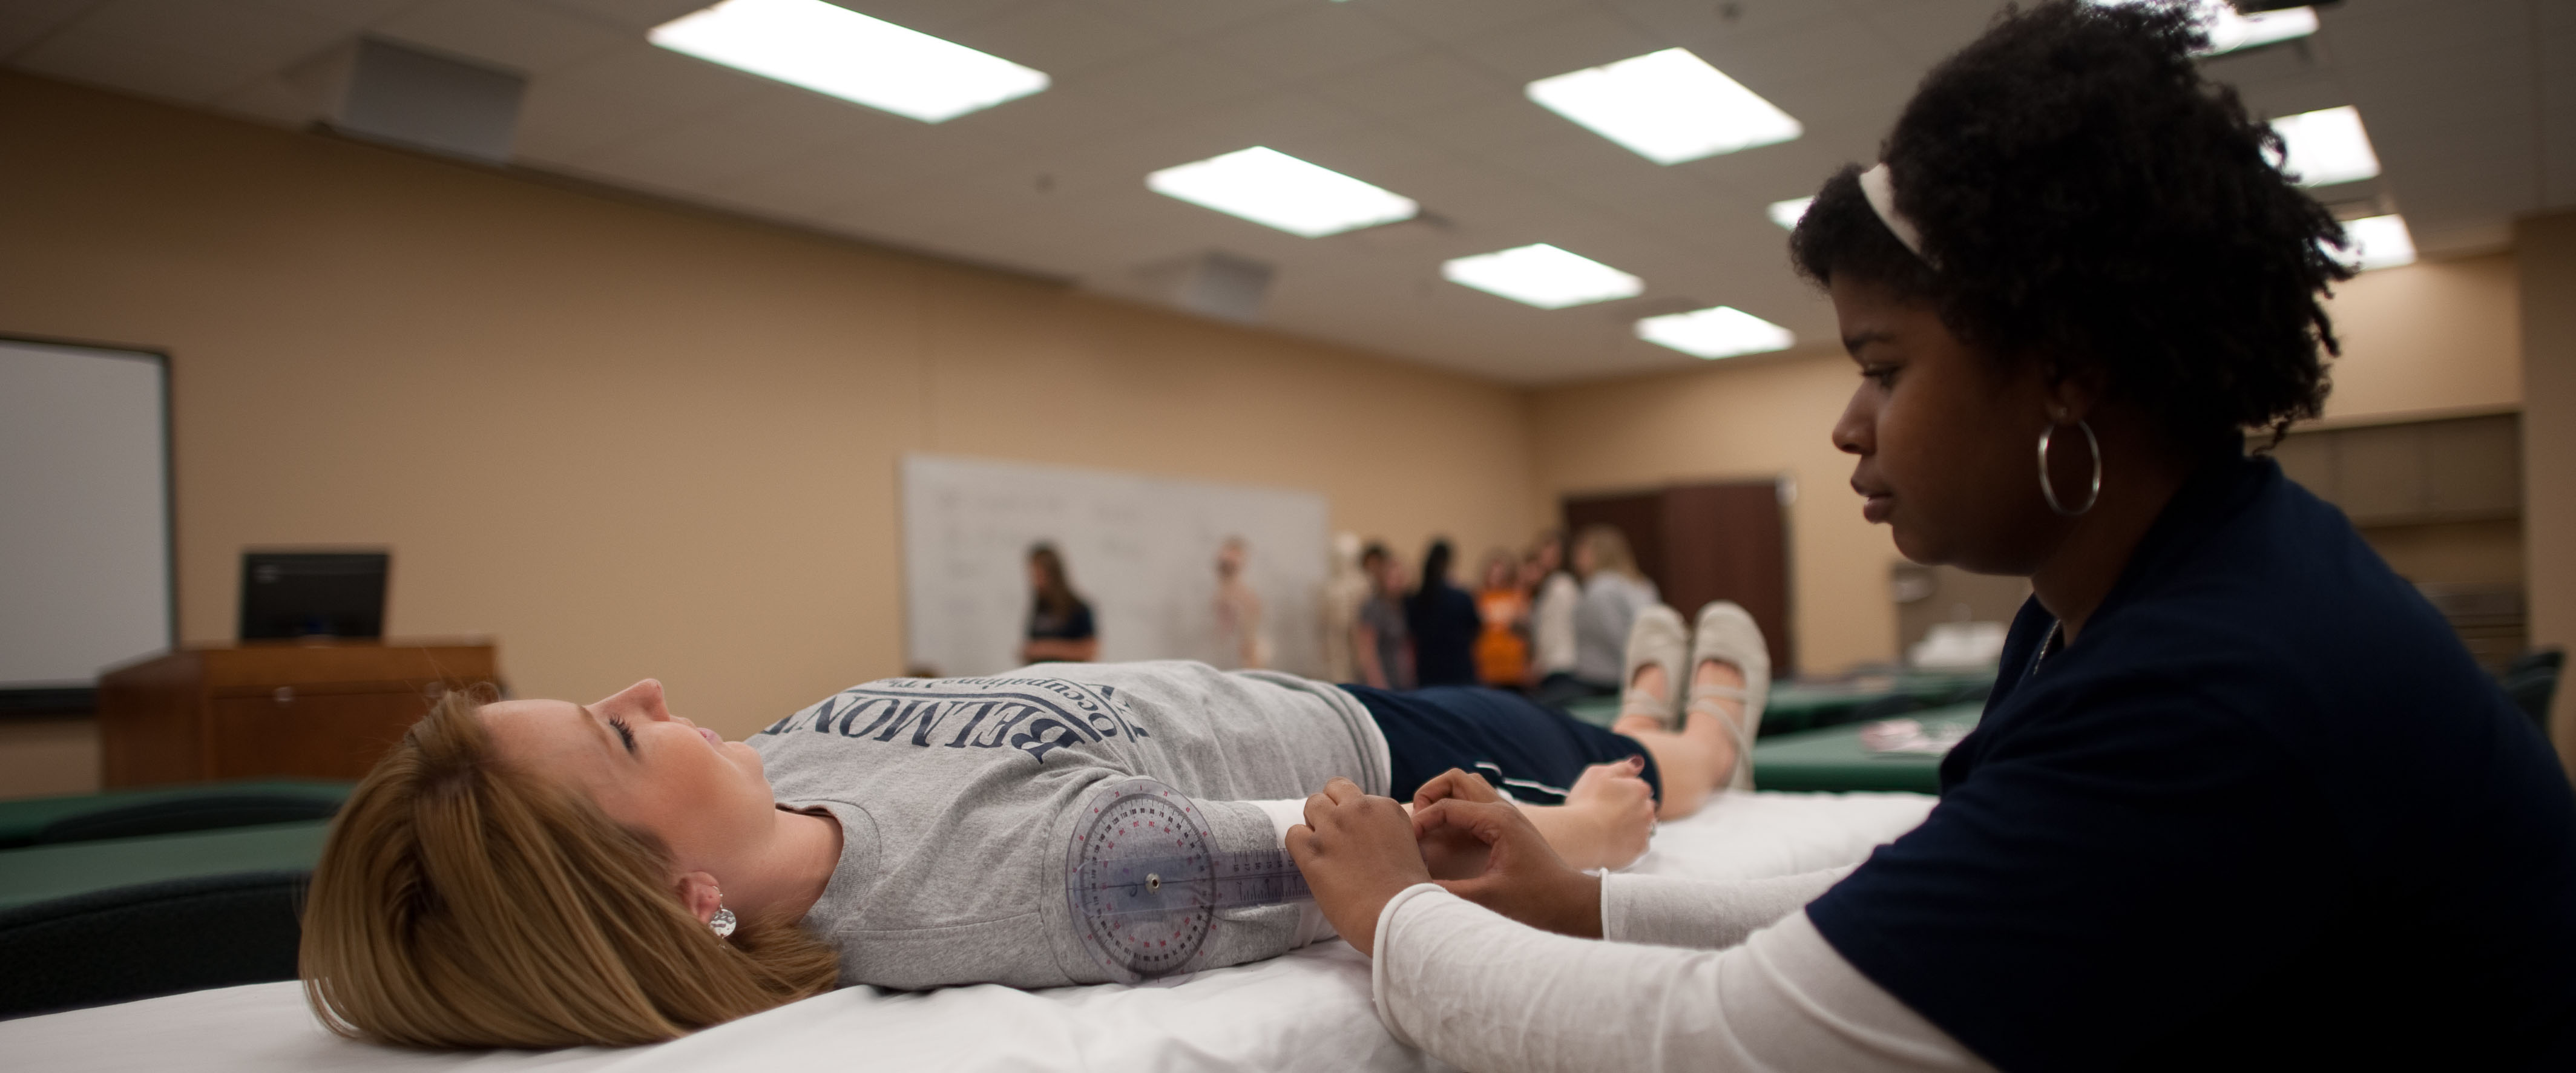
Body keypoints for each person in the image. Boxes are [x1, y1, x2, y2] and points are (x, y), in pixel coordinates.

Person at [1285, 4, 2576, 1069]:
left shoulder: (2217, 683)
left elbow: (1719, 1044)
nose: (1850, 426)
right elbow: (1922, 901)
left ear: (2064, 367)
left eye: (1885, 368)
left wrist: (1391, 910)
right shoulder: (2137, 590)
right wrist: (1587, 899)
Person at [295, 646, 1776, 1048]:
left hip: (1268, 686)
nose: (649, 695)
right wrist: (1575, 831)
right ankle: (1700, 734)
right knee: (1631, 762)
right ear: (689, 902)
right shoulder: (1005, 890)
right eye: (621, 739)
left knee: (1576, 711)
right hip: (1374, 735)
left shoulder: (765, 774)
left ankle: (1638, 707)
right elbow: (1366, 857)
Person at [1566, 525, 1658, 698]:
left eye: (1581, 553)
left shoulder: (1600, 588)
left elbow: (1618, 639)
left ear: (1598, 553)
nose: (1576, 559)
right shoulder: (1643, 584)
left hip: (1605, 679)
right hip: (1638, 673)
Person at [1405, 539, 1483, 687]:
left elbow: (1412, 633)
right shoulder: (1461, 597)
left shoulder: (1415, 600)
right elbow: (1475, 630)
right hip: (1459, 673)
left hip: (1428, 673)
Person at [1523, 531, 1585, 706]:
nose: (1546, 557)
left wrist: (1539, 664)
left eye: (1553, 552)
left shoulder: (1561, 586)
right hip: (1554, 664)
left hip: (1561, 664)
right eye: (1544, 550)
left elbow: (1555, 631)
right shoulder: (1551, 586)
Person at [1019, 543, 1096, 664]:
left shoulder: (1078, 607)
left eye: (1039, 575)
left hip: (1069, 678)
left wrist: (1046, 649)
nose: (1034, 582)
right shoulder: (1040, 607)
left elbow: (1090, 651)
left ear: (1053, 574)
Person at [1352, 542, 1413, 690]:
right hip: (1382, 683)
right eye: (1393, 577)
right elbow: (1367, 652)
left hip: (1401, 681)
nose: (1397, 582)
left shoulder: (1402, 606)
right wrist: (1379, 685)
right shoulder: (1373, 607)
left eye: (1400, 577)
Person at [1472, 549, 1531, 689]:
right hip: (1486, 668)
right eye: (1493, 571)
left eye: (1500, 572)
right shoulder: (1478, 597)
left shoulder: (1517, 596)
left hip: (1513, 668)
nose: (1496, 576)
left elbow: (1526, 632)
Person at [1318, 533, 1372, 683]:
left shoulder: (1364, 584)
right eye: (1339, 557)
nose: (1342, 562)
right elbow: (1324, 624)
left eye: (1346, 557)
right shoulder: (1328, 587)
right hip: (1335, 642)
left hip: (1356, 640)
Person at [1212, 536, 1272, 670]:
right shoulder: (1222, 593)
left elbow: (1253, 623)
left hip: (1246, 649)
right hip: (1228, 652)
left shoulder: (1246, 594)